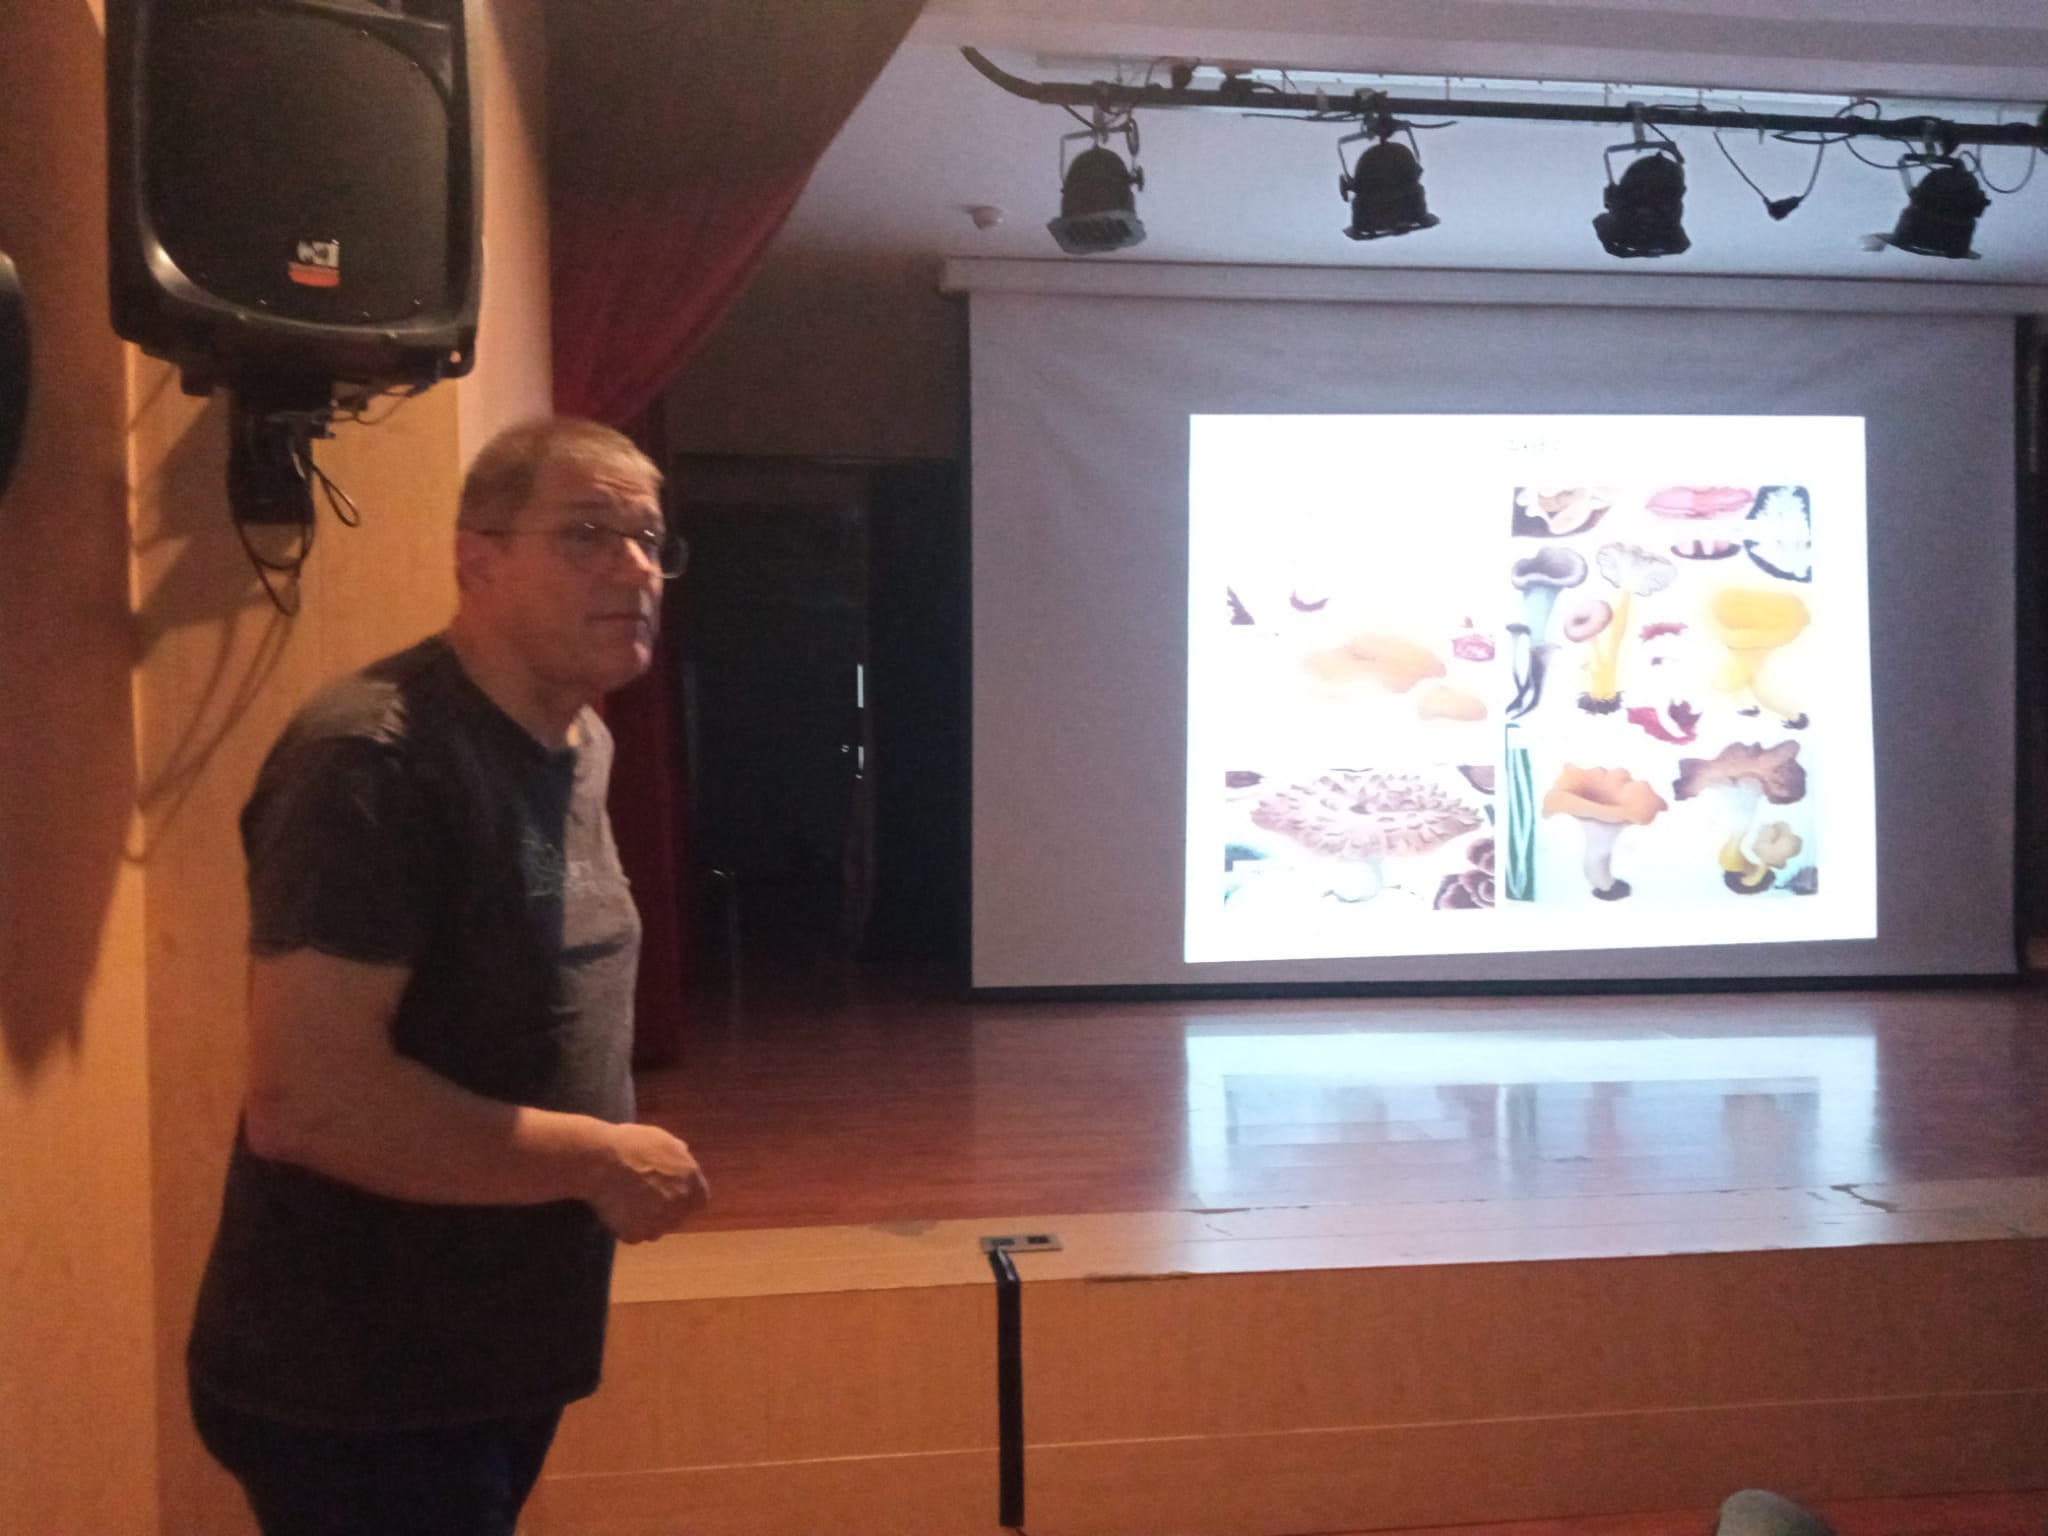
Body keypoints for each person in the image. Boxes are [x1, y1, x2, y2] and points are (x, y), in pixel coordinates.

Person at [186, 417, 709, 1536]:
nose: (634, 570)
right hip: (362, 1386)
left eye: (648, 539)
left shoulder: (582, 745)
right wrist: (600, 1156)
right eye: (587, 534)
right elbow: (309, 1103)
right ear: (478, 557)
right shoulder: (374, 761)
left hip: (492, 1352)